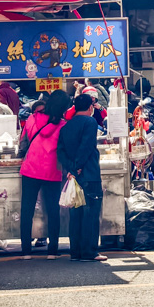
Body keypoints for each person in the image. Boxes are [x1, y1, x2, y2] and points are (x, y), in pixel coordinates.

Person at [19, 89, 71, 258]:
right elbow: (64, 151)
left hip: (30, 168)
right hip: (51, 171)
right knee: (52, 210)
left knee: (27, 210)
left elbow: (23, 142)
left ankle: (26, 251)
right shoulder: (63, 125)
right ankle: (52, 251)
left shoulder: (32, 118)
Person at [58, 93, 106, 262]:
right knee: (91, 213)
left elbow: (61, 151)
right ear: (90, 107)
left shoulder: (66, 127)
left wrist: (71, 168)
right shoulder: (90, 122)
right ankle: (89, 252)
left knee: (76, 213)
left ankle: (75, 252)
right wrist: (78, 167)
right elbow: (86, 146)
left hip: (73, 176)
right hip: (89, 174)